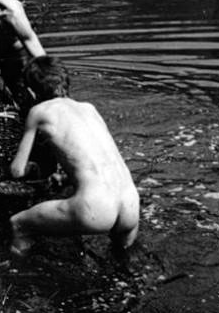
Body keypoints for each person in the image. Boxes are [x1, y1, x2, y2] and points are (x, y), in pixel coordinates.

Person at [9, 56, 140, 257]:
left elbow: (17, 171)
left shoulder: (38, 112)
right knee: (122, 263)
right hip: (130, 203)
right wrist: (64, 178)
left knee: (18, 223)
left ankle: (16, 274)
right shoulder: (90, 109)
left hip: (96, 208)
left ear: (31, 91)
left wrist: (34, 169)